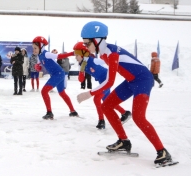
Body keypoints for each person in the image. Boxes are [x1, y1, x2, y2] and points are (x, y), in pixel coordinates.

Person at [77, 21, 174, 166]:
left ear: (97, 41)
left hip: (143, 80)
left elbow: (110, 82)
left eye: (87, 43)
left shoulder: (112, 53)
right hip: (131, 81)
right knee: (107, 106)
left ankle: (163, 152)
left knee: (139, 117)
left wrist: (89, 93)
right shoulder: (103, 53)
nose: (85, 47)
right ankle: (123, 141)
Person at [73, 42, 131, 129]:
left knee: (96, 99)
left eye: (77, 55)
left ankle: (101, 121)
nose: (75, 57)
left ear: (82, 54)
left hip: (107, 81)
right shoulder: (82, 64)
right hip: (102, 83)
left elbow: (110, 62)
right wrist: (81, 70)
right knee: (108, 101)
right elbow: (81, 80)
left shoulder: (93, 60)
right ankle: (125, 113)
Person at [32, 36, 78, 119]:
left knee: (44, 91)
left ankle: (49, 113)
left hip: (59, 74)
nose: (34, 50)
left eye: (35, 48)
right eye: (33, 48)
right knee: (62, 93)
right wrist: (37, 66)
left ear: (41, 46)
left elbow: (59, 56)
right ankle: (73, 111)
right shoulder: (40, 56)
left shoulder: (46, 53)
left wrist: (72, 53)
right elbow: (40, 64)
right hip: (57, 74)